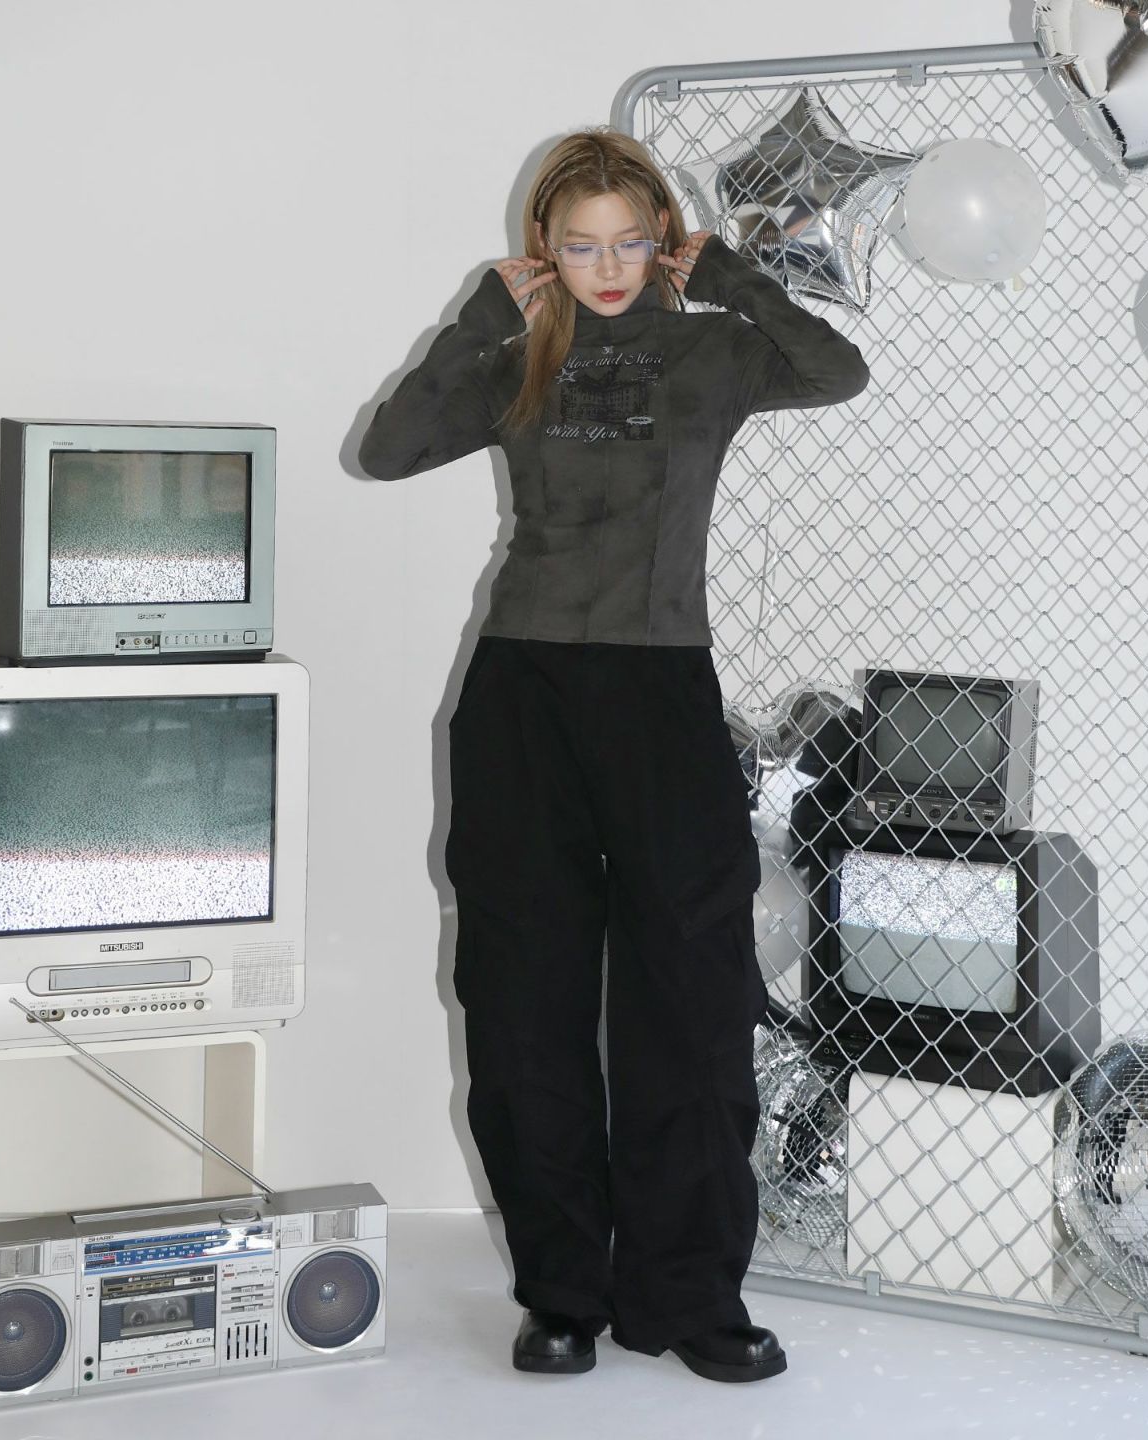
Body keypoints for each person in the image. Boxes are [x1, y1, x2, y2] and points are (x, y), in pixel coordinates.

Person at [358, 125, 869, 1383]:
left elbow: (837, 368)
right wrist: (486, 310)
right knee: (522, 997)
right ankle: (563, 1292)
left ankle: (689, 1297)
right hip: (523, 697)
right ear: (544, 248)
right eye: (578, 246)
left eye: (628, 243)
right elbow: (388, 448)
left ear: (660, 241)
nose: (604, 268)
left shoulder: (714, 351)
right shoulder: (518, 354)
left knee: (690, 1000)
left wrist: (729, 274)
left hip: (660, 693)